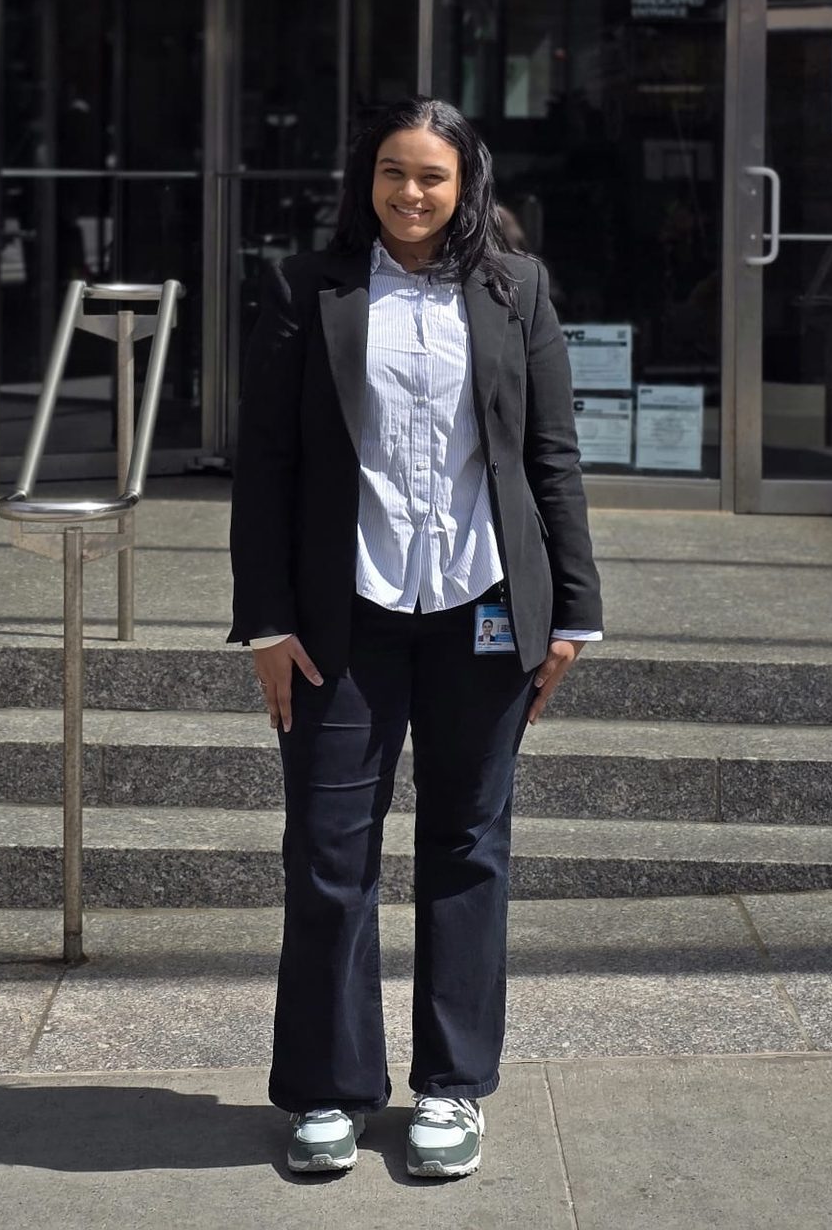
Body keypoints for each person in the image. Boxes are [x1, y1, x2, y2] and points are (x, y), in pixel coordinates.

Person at [228, 96, 602, 1180]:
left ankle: (452, 1088)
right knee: (329, 855)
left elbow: (552, 458)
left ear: (466, 184)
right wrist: (266, 620)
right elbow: (268, 466)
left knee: (467, 847)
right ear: (367, 180)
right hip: (345, 619)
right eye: (393, 173)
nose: (410, 194)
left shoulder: (514, 289)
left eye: (432, 177)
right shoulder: (310, 289)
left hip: (483, 612)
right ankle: (329, 1093)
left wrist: (570, 611)